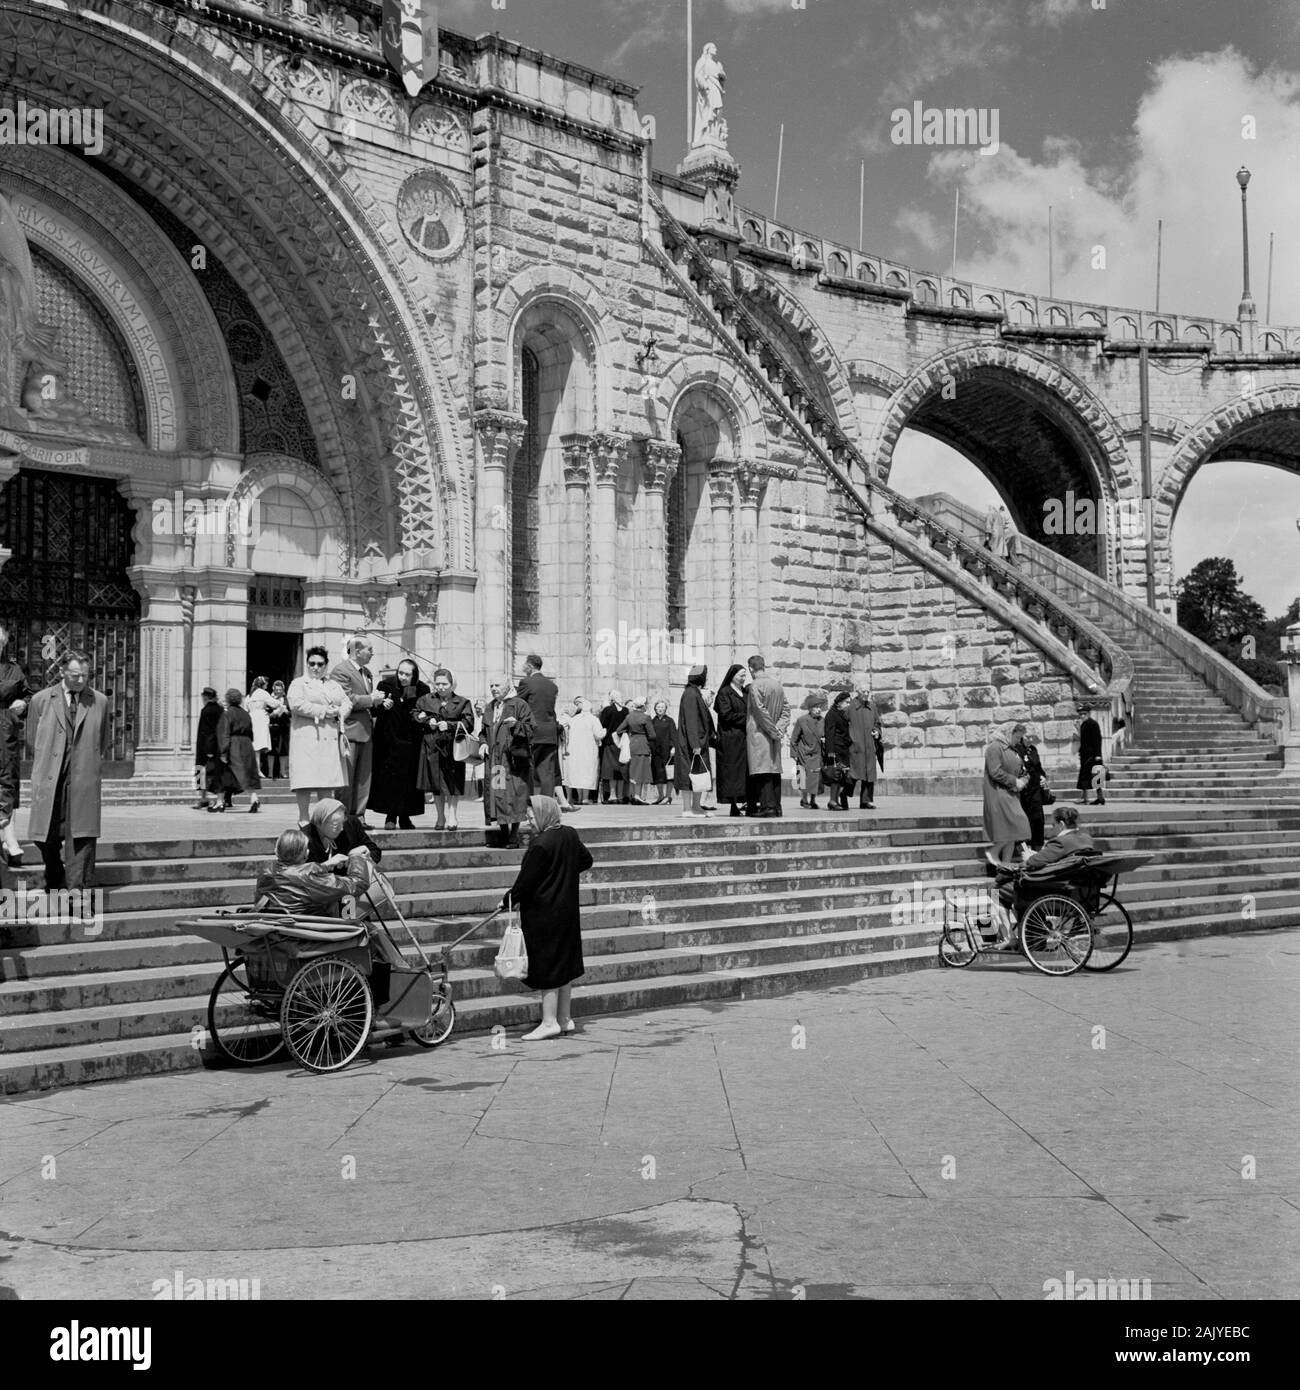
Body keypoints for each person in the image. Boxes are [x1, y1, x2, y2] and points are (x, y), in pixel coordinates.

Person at [500, 795, 593, 1040]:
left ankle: (550, 1021)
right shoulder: (569, 834)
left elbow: (525, 882)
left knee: (548, 966)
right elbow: (586, 860)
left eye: (531, 816)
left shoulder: (541, 844)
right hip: (567, 911)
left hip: (544, 913)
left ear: (543, 815)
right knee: (563, 964)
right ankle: (564, 1018)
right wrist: (563, 875)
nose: (529, 821)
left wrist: (507, 900)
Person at [26, 651, 110, 891]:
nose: (81, 680)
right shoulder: (41, 700)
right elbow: (33, 740)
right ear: (62, 671)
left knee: (82, 837)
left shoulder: (99, 701)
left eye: (85, 675)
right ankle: (54, 872)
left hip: (83, 778)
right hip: (51, 776)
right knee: (45, 834)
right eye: (75, 675)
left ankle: (76, 891)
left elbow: (102, 740)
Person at [990, 806, 1098, 948]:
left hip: (1055, 890)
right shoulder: (1085, 838)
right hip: (1081, 890)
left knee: (997, 890)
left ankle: (1010, 937)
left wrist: (1030, 857)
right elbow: (1055, 860)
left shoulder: (1060, 842)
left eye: (1053, 825)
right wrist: (1037, 855)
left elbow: (1034, 863)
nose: (1052, 829)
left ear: (1061, 824)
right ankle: (1027, 931)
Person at [288, 646, 351, 825]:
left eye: (320, 664)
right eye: (312, 663)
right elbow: (296, 704)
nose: (315, 667)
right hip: (306, 739)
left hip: (328, 741)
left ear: (326, 665)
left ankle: (324, 820)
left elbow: (346, 702)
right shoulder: (298, 683)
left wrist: (340, 711)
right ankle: (304, 819)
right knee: (305, 782)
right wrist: (324, 711)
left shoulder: (333, 685)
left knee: (326, 783)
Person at [255, 826, 374, 917]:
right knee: (365, 921)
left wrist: (323, 866)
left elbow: (293, 874)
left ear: (276, 851)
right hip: (308, 938)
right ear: (306, 854)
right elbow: (358, 884)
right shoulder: (310, 878)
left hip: (275, 935)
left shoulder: (265, 872)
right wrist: (356, 857)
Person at [330, 635, 384, 821]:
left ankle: (359, 816)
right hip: (350, 731)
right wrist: (371, 700)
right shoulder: (340, 671)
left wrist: (379, 702)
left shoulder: (367, 672)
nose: (372, 653)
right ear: (357, 650)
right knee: (347, 778)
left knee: (363, 778)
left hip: (367, 732)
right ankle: (343, 817)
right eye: (369, 649)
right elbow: (345, 698)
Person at [415, 667, 475, 831]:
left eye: (444, 684)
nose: (441, 687)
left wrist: (448, 725)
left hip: (453, 747)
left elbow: (469, 723)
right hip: (432, 746)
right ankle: (440, 816)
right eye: (438, 684)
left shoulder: (462, 702)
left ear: (452, 684)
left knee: (452, 782)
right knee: (436, 783)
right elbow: (415, 713)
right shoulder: (426, 699)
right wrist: (426, 720)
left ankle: (452, 815)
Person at [371, 658, 429, 830]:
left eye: (407, 674)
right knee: (391, 780)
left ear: (414, 675)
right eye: (400, 673)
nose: (403, 677)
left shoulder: (422, 689)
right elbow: (373, 709)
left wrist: (422, 716)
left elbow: (425, 711)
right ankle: (391, 816)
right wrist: (382, 705)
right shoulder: (385, 686)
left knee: (409, 781)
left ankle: (405, 816)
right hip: (389, 741)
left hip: (412, 741)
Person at [483, 675, 534, 847]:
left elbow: (532, 729)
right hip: (496, 762)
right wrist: (483, 744)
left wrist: (517, 725)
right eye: (491, 685)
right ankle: (504, 832)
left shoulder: (519, 704)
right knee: (498, 794)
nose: (493, 688)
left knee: (515, 795)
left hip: (513, 761)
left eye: (497, 684)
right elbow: (483, 732)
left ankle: (514, 834)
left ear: (507, 685)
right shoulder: (489, 707)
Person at [0, 622, 32, 867]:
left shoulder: (14, 670)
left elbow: (28, 695)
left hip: (5, 731)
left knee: (6, 782)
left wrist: (23, 703)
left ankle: (8, 838)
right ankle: (8, 840)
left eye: (1, 642)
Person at [745, 655, 789, 819]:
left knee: (762, 770)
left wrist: (771, 730)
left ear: (750, 668)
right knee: (774, 770)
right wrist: (779, 729)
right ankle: (777, 807)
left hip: (760, 733)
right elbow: (786, 710)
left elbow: (759, 711)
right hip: (774, 734)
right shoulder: (777, 685)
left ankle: (767, 807)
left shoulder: (755, 686)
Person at [984, 722, 1030, 869]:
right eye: (1017, 737)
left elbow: (1021, 769)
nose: (1019, 741)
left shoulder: (1012, 748)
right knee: (1017, 824)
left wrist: (1023, 779)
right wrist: (1014, 781)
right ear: (1009, 733)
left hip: (1011, 793)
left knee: (1011, 828)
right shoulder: (995, 747)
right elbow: (995, 772)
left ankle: (1005, 864)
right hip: (998, 793)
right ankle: (994, 852)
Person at [516, 654, 561, 798]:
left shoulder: (526, 682)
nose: (523, 667)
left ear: (529, 666)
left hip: (533, 732)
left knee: (527, 769)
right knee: (547, 773)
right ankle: (546, 810)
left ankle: (528, 806)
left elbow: (518, 705)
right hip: (549, 733)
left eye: (524, 665)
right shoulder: (552, 686)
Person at [674, 665, 716, 818]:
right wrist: (695, 744)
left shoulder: (694, 692)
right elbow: (691, 720)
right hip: (692, 744)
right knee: (688, 775)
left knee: (699, 775)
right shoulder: (691, 694)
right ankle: (687, 809)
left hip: (699, 741)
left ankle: (696, 807)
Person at [216, 688, 262, 814]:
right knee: (247, 774)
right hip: (246, 744)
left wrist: (223, 751)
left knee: (224, 773)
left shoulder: (227, 714)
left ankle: (220, 803)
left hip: (234, 744)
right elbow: (251, 732)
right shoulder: (245, 714)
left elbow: (224, 733)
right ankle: (254, 798)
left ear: (228, 699)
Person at [303, 796, 382, 868]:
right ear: (319, 824)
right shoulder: (306, 837)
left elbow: (375, 851)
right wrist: (326, 865)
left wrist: (361, 857)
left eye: (342, 822)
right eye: (335, 825)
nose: (341, 829)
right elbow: (300, 872)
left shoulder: (351, 824)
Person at [714, 663, 750, 817]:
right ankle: (733, 804)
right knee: (731, 772)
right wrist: (748, 718)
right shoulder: (725, 693)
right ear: (732, 675)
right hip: (729, 739)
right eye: (741, 675)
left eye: (744, 675)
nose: (743, 678)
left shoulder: (744, 692)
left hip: (743, 738)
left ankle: (746, 801)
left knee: (744, 772)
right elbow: (726, 715)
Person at [562, 696, 604, 808]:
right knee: (587, 771)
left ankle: (580, 797)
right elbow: (598, 735)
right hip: (588, 749)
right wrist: (605, 731)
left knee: (577, 772)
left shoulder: (574, 719)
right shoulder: (594, 719)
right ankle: (585, 798)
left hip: (575, 749)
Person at [614, 696, 655, 805]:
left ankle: (633, 795)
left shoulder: (629, 716)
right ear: (643, 705)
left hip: (632, 745)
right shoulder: (646, 717)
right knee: (640, 772)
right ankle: (637, 796)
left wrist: (629, 733)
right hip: (642, 745)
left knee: (633, 771)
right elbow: (652, 735)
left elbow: (619, 730)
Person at [791, 693, 826, 811]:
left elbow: (825, 735)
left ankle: (813, 800)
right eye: (816, 707)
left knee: (816, 778)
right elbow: (794, 739)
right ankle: (804, 799)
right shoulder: (802, 720)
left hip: (817, 753)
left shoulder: (822, 721)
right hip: (804, 753)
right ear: (810, 709)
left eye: (820, 707)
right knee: (804, 777)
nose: (818, 710)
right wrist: (794, 754)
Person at [847, 684, 880, 811]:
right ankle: (844, 795)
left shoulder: (872, 706)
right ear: (857, 692)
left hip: (869, 746)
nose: (866, 694)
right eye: (863, 691)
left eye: (868, 691)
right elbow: (843, 723)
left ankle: (866, 800)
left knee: (869, 774)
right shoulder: (850, 707)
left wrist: (877, 731)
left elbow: (877, 723)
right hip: (855, 745)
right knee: (853, 773)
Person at [1015, 729, 1047, 850]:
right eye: (1028, 737)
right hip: (1024, 791)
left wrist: (1043, 777)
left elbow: (1038, 767)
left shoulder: (1033, 749)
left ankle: (1037, 846)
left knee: (1038, 818)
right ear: (1022, 737)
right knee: (1025, 819)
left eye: (1033, 737)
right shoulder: (1017, 749)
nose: (1031, 739)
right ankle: (1023, 846)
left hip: (1036, 789)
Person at [192, 685, 223, 811]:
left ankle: (203, 798)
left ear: (205, 697)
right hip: (217, 745)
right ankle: (218, 799)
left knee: (200, 770)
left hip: (206, 746)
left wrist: (208, 749)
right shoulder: (220, 709)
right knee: (216, 772)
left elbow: (208, 731)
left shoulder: (207, 710)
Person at [822, 690, 853, 811]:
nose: (848, 704)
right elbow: (829, 733)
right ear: (839, 702)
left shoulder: (842, 713)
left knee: (842, 776)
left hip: (843, 749)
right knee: (836, 775)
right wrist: (830, 751)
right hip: (836, 749)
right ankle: (832, 801)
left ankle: (837, 800)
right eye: (847, 702)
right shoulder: (832, 714)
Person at [246, 676, 282, 781]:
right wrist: (280, 702)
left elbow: (246, 708)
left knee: (255, 745)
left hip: (251, 718)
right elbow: (274, 703)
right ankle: (256, 769)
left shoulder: (250, 695)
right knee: (257, 745)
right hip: (260, 719)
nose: (267, 686)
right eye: (266, 684)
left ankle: (256, 768)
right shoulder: (262, 693)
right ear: (262, 684)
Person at [598, 691, 628, 804]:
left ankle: (612, 794)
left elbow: (601, 725)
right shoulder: (625, 711)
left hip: (610, 742)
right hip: (622, 743)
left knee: (611, 770)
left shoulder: (607, 710)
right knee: (621, 768)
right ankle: (620, 795)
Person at [649, 698, 677, 806]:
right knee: (657, 773)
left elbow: (674, 735)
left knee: (669, 774)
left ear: (665, 709)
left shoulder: (670, 721)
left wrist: (673, 747)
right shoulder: (652, 721)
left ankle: (668, 796)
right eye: (658, 707)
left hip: (668, 751)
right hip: (656, 751)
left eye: (662, 707)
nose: (660, 709)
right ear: (655, 708)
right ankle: (660, 795)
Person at [1076, 708, 1105, 805]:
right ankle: (1085, 797)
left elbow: (1097, 740)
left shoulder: (1093, 724)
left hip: (1093, 756)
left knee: (1097, 776)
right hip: (1085, 756)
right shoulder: (1084, 725)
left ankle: (1100, 797)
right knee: (1084, 777)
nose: (1082, 716)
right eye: (1080, 714)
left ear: (1088, 714)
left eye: (1084, 714)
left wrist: (1098, 755)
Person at [267, 680, 290, 780]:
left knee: (283, 750)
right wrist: (273, 714)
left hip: (283, 727)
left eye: (280, 689)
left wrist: (286, 711)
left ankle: (283, 772)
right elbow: (266, 712)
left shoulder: (286, 699)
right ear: (273, 689)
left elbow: (291, 712)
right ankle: (270, 772)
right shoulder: (269, 699)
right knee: (271, 750)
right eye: (276, 689)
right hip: (272, 726)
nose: (278, 691)